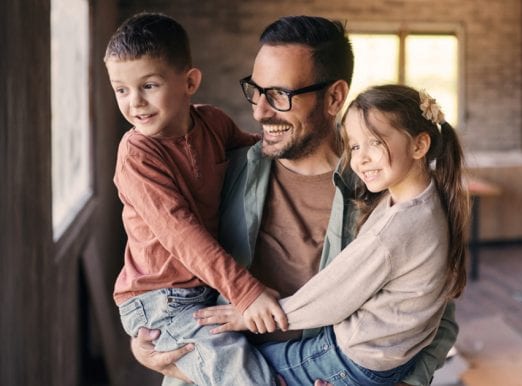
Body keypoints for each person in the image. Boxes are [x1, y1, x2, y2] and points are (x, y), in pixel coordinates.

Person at [131, 15, 460, 386]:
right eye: (255, 91)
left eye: (278, 95)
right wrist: (149, 345)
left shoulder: (383, 190)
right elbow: (163, 268)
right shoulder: (223, 168)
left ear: (334, 97)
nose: (259, 110)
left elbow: (435, 313)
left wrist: (403, 384)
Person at [196, 84, 470, 386]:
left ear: (419, 146)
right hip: (383, 359)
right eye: (354, 146)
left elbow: (333, 296)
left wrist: (249, 316)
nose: (360, 159)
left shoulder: (396, 230)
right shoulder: (423, 201)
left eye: (375, 143)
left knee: (231, 367)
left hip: (352, 359)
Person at [104, 12, 288, 386]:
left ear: (190, 82)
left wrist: (286, 141)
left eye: (149, 86)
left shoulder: (213, 123)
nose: (134, 103)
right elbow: (181, 234)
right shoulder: (137, 155)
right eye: (121, 90)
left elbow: (255, 153)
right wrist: (246, 292)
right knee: (235, 368)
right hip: (158, 299)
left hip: (203, 288)